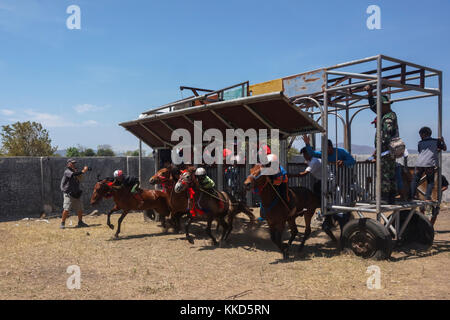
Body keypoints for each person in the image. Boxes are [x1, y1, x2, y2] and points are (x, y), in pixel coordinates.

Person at [365, 85, 400, 203]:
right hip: (388, 150)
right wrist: (370, 94)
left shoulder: (388, 117)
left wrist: (379, 150)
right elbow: (373, 106)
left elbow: (386, 134)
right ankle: (391, 197)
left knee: (384, 173)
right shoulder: (384, 114)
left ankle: (384, 198)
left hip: (385, 150)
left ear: (384, 106)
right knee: (390, 174)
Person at [410, 127, 447, 201]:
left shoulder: (420, 143)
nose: (420, 136)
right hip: (429, 164)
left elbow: (422, 151)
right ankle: (427, 198)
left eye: (420, 134)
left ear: (424, 134)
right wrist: (442, 141)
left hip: (419, 163)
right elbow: (444, 148)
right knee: (430, 182)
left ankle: (411, 196)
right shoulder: (436, 141)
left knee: (415, 181)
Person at [60, 159, 89, 229]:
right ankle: (62, 223)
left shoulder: (75, 171)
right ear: (68, 164)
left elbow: (79, 177)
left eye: (74, 163)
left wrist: (81, 173)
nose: (73, 164)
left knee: (80, 208)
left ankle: (80, 222)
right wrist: (83, 171)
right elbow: (73, 174)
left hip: (76, 193)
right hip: (68, 193)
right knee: (66, 209)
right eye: (72, 163)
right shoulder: (67, 171)